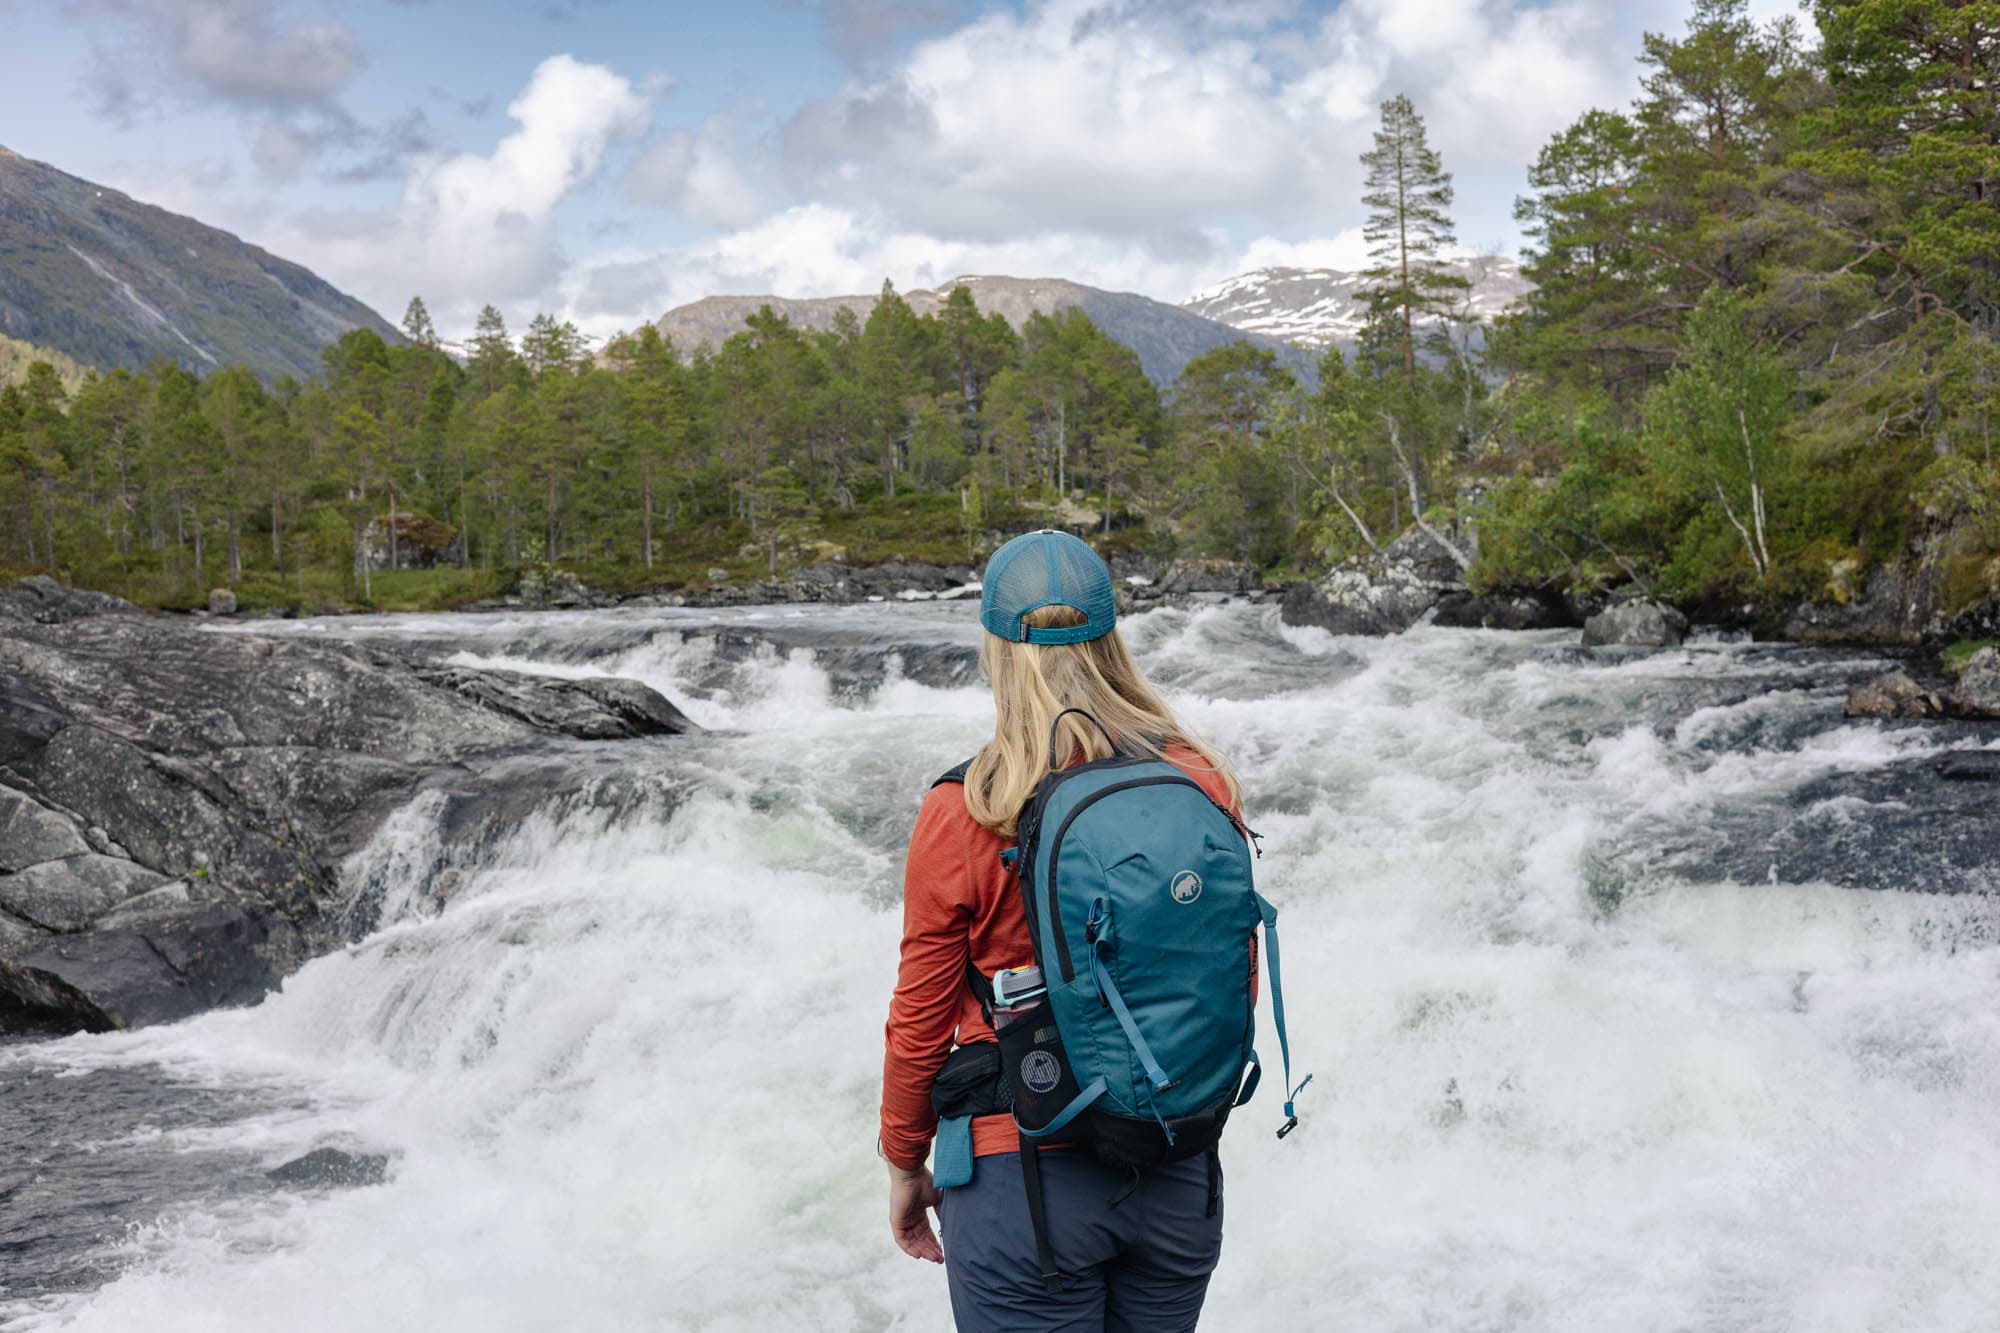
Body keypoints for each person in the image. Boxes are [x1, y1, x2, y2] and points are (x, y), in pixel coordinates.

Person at [879, 529, 1251, 1332]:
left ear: (997, 647)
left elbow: (919, 1022)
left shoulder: (968, 806)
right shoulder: (1199, 777)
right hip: (1176, 1168)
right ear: (1112, 635)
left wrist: (905, 1161)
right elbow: (1229, 973)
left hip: (1022, 1181)